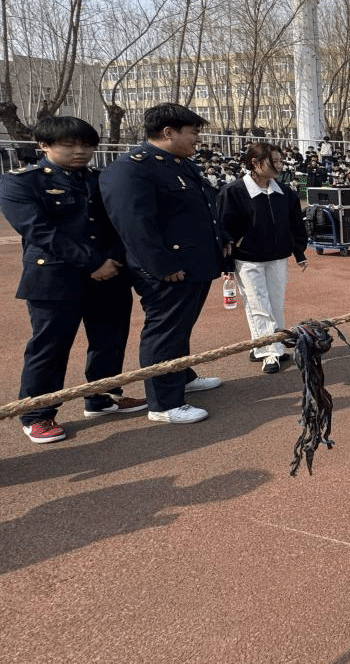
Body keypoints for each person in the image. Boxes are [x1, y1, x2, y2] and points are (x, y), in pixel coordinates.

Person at [0, 116, 146, 444]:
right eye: (69, 145)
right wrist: (93, 262)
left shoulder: (99, 179)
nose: (80, 151)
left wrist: (111, 261)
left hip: (109, 275)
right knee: (49, 347)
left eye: (87, 145)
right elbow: (38, 230)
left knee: (109, 340)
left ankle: (102, 397)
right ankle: (37, 413)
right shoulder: (21, 182)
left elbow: (118, 223)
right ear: (44, 146)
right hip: (55, 277)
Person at [100, 103, 228, 424]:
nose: (198, 139)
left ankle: (181, 375)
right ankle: (164, 403)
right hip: (168, 270)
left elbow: (204, 211)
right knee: (164, 332)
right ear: (169, 132)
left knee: (180, 328)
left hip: (194, 265)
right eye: (193, 132)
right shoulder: (132, 169)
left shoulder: (181, 165)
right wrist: (162, 266)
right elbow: (134, 225)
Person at [216, 142, 310, 375]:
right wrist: (227, 263)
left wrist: (299, 252)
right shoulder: (233, 191)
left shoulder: (285, 192)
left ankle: (262, 345)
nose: (280, 166)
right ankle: (270, 351)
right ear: (255, 163)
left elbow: (295, 224)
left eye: (280, 161)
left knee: (275, 303)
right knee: (257, 304)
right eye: (274, 161)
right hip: (247, 258)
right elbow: (223, 228)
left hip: (277, 257)